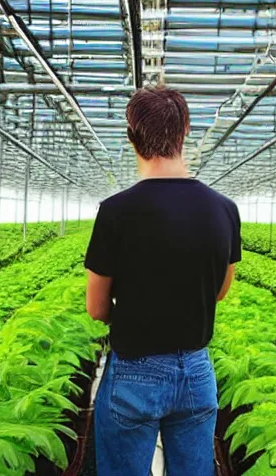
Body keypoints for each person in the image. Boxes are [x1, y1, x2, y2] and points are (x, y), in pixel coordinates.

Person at [85, 85, 241, 476]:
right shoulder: (225, 210)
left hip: (134, 371)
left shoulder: (115, 212)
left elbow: (96, 307)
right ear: (185, 130)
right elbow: (221, 289)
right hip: (196, 371)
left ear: (131, 138)